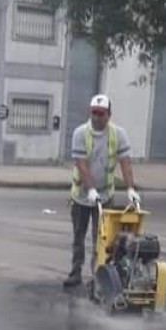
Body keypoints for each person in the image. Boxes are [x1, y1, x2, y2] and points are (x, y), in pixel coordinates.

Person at [63, 94, 140, 288]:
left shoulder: (117, 134)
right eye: (94, 113)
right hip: (82, 195)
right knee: (79, 236)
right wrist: (90, 189)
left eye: (101, 114)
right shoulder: (81, 133)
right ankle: (75, 273)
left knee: (103, 238)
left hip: (105, 196)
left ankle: (99, 276)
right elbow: (81, 164)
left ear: (109, 114)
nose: (97, 117)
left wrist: (130, 187)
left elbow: (126, 164)